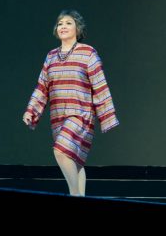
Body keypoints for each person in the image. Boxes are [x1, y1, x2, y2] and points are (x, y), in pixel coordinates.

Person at [22, 10, 118, 196]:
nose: (63, 26)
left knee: (61, 151)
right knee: (75, 161)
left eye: (68, 23)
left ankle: (74, 195)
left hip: (81, 115)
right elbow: (42, 87)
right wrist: (31, 110)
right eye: (60, 24)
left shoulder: (88, 53)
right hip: (58, 116)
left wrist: (107, 117)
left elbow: (100, 85)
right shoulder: (51, 56)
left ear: (78, 28)